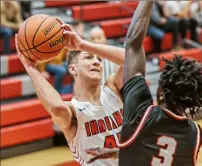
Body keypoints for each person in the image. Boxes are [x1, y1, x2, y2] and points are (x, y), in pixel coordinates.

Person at [86, 1, 202, 166]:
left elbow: (133, 44)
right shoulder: (195, 134)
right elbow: (160, 153)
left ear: (162, 92)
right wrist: (118, 152)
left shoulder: (142, 114)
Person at [15, 19, 126, 165]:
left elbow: (131, 59)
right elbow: (57, 108)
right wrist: (30, 67)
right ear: (73, 69)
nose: (97, 62)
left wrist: (83, 45)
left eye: (98, 58)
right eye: (88, 57)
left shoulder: (113, 89)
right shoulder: (74, 112)